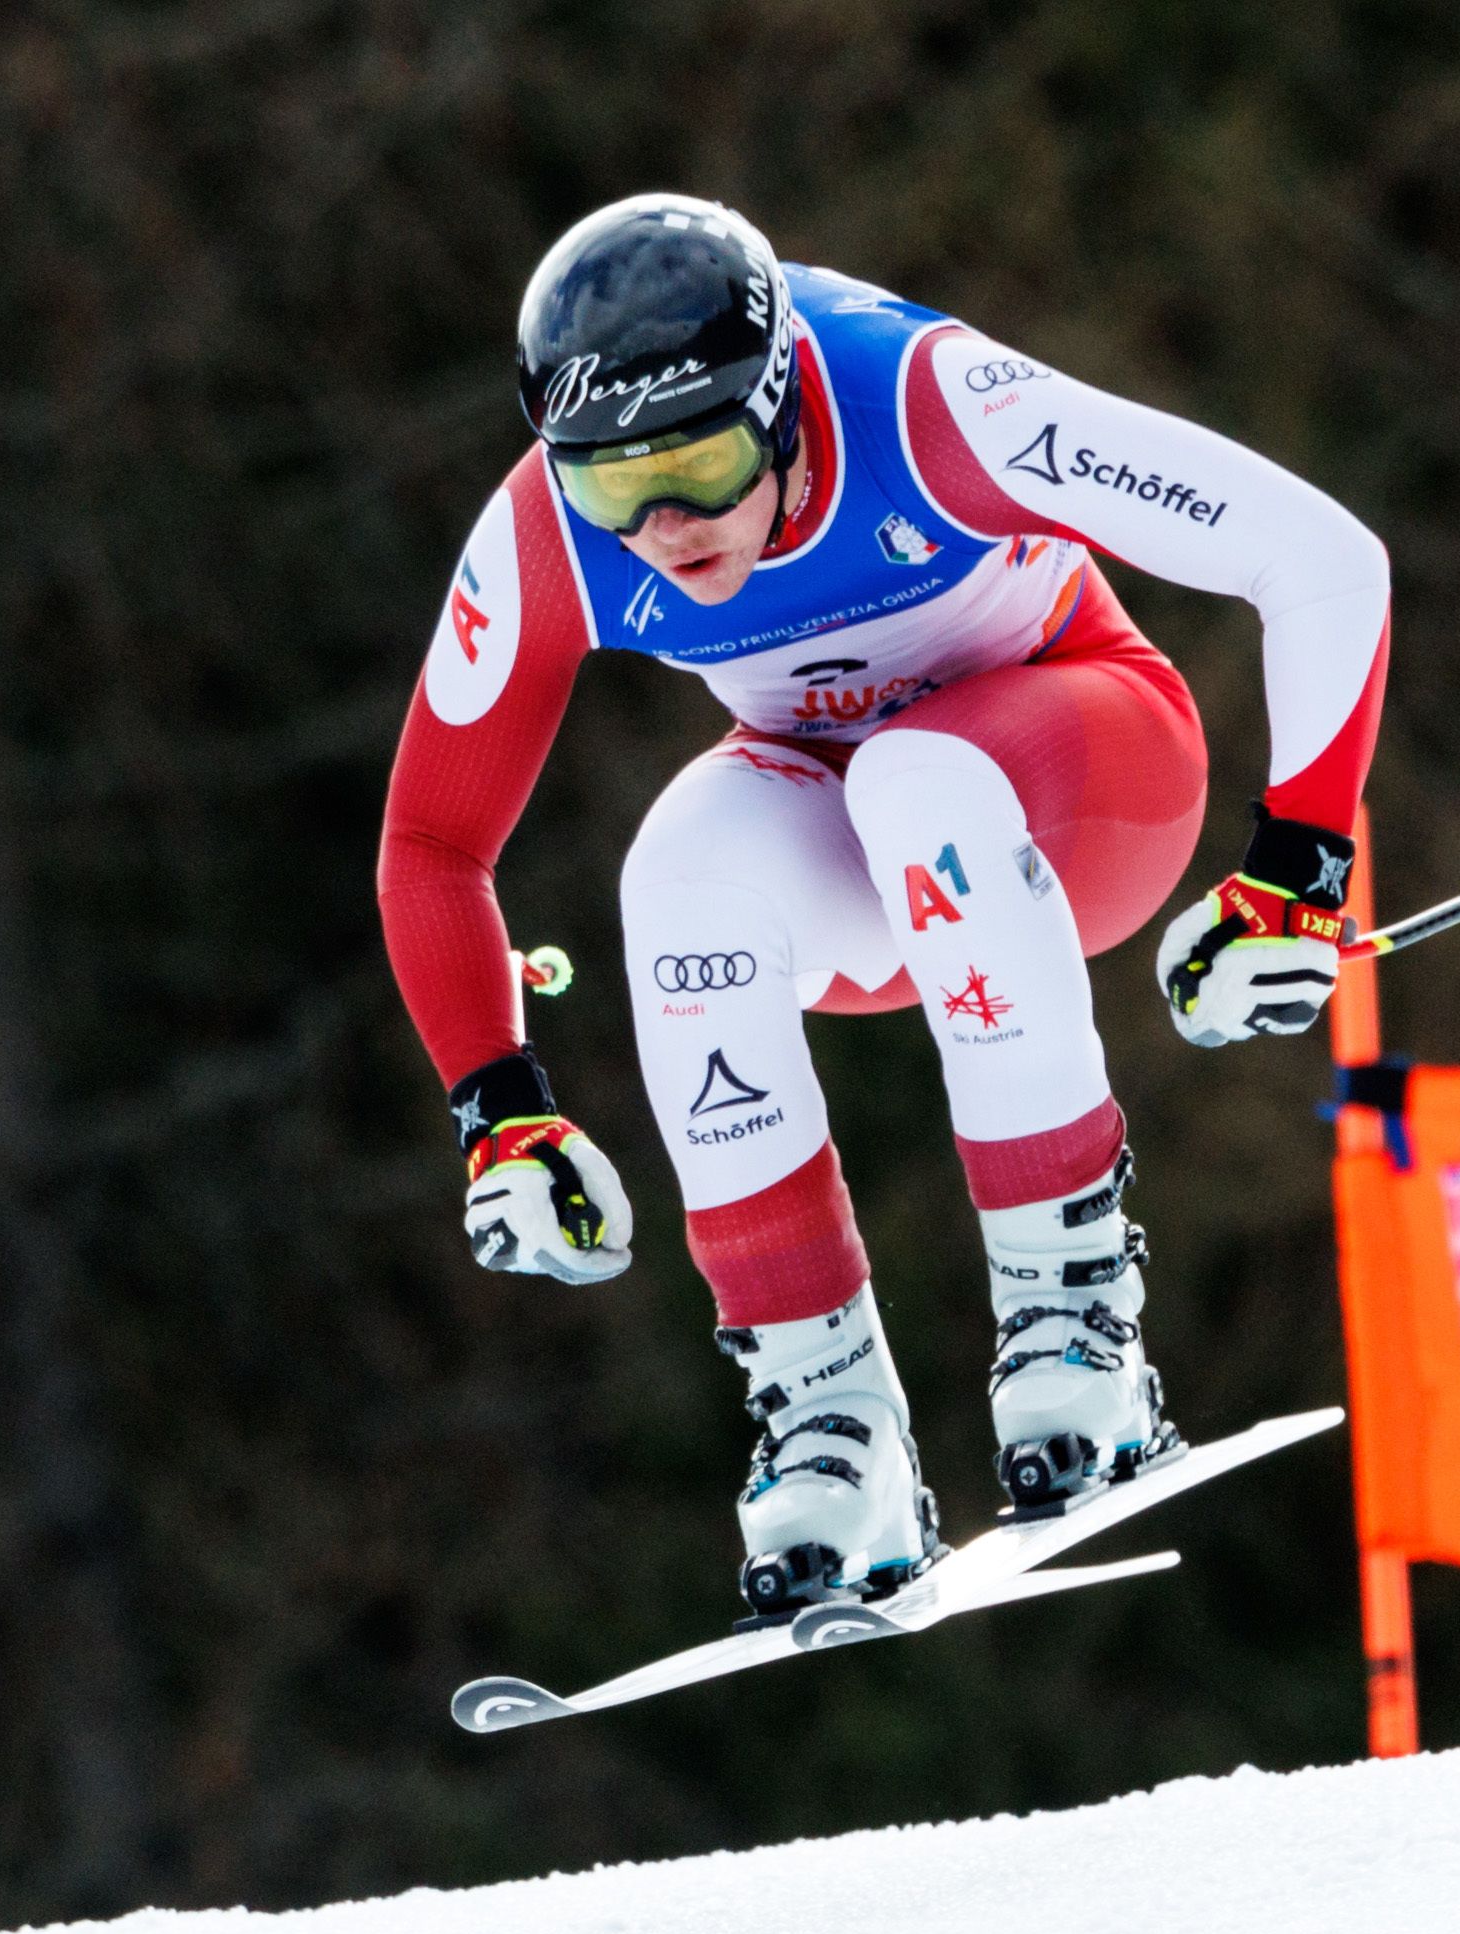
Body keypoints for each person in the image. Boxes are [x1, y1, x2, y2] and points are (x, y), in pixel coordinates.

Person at [378, 195, 1388, 1621]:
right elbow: (429, 836)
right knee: (678, 871)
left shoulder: (928, 405)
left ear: (782, 404)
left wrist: (1295, 868)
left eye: (706, 465)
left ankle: (1073, 1332)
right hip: (855, 852)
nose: (663, 528)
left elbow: (1322, 556)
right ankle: (828, 1430)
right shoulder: (547, 530)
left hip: (1082, 787)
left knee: (918, 779)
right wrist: (500, 1110)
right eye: (615, 487)